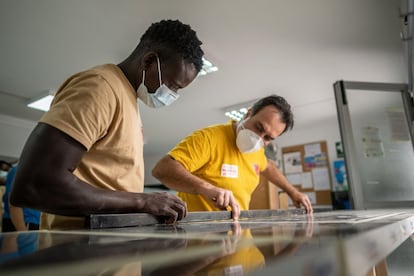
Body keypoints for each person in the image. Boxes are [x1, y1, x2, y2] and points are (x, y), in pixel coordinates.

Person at [10, 19, 204, 230]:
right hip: (78, 254)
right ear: (149, 61)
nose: (172, 95)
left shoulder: (127, 99)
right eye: (172, 85)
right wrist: (143, 201)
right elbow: (35, 184)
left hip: (111, 251)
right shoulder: (100, 88)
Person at [152, 95, 313, 220]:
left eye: (268, 138)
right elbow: (162, 169)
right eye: (258, 127)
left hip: (236, 231)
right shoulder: (209, 138)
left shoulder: (257, 151)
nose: (258, 138)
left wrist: (293, 192)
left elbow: (268, 167)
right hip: (200, 236)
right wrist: (206, 188)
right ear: (249, 113)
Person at [2, 165, 40, 232]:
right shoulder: (22, 170)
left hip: (28, 223)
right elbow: (14, 205)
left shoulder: (34, 171)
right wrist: (23, 232)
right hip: (22, 223)